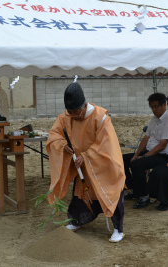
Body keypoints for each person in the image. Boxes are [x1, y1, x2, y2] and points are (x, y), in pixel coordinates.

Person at [46, 82, 126, 243]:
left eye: (75, 112)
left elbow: (107, 145)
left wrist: (87, 155)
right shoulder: (66, 117)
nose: (73, 115)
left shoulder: (101, 117)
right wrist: (63, 145)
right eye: (70, 112)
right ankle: (76, 221)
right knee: (81, 194)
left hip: (102, 166)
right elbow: (54, 134)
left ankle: (118, 228)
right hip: (81, 166)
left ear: (83, 106)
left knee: (109, 193)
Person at [122, 93, 168, 209]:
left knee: (137, 164)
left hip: (162, 155)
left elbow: (163, 145)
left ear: (164, 105)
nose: (153, 109)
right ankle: (134, 189)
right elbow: (145, 138)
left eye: (156, 106)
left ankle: (144, 196)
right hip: (150, 151)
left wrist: (144, 157)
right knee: (123, 160)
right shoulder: (154, 119)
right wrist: (136, 154)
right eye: (151, 107)